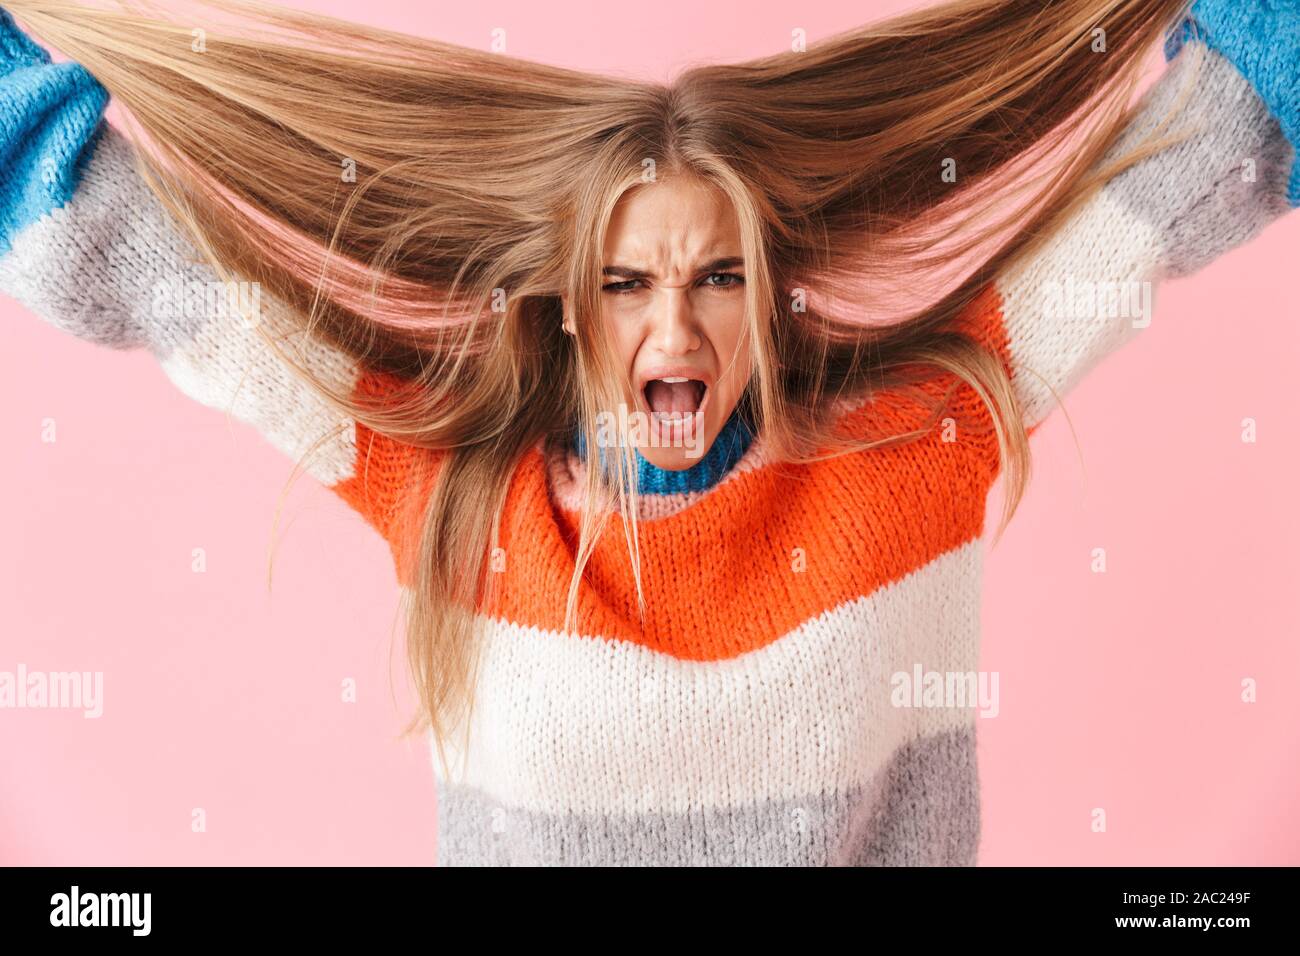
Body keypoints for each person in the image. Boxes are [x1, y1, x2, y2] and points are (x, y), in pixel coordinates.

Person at [1, 0, 1295, 865]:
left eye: (717, 278)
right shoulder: (448, 488)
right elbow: (150, 283)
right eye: (628, 286)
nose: (674, 333)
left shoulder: (919, 446)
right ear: (569, 308)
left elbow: (1193, 176)